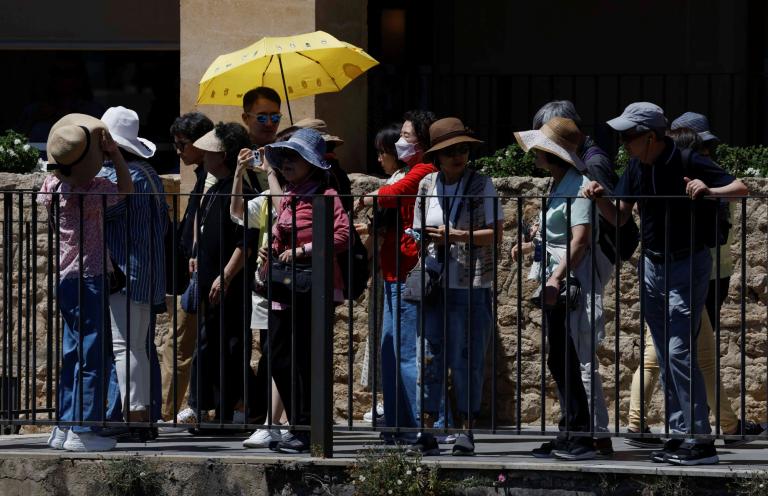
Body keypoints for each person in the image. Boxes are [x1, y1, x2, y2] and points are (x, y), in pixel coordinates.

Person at [583, 102, 748, 466]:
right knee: (663, 346)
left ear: (651, 136)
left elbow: (741, 188)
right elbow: (622, 216)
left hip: (687, 262)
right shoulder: (636, 166)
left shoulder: (688, 160)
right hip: (653, 265)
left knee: (677, 351)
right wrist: (599, 202)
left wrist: (709, 189)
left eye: (629, 136)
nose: (623, 142)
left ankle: (699, 439)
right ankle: (678, 435)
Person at [626, 122, 764, 448]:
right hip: (693, 275)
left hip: (696, 274)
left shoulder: (698, 179)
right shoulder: (677, 170)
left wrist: (710, 190)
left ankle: (688, 430)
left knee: (675, 353)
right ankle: (707, 431)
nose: (708, 154)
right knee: (681, 354)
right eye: (704, 147)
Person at [246, 128, 350, 453]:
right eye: (285, 157)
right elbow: (278, 235)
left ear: (312, 164)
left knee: (305, 359)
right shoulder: (288, 197)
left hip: (310, 288)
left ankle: (305, 429)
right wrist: (269, 251)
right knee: (277, 358)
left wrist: (304, 250)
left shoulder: (327, 197)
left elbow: (343, 236)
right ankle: (297, 424)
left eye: (296, 157)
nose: (288, 163)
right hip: (282, 287)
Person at [512, 117, 609, 461]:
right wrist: (528, 248)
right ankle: (570, 431)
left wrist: (556, 277)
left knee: (568, 356)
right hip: (556, 278)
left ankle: (580, 434)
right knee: (559, 357)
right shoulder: (558, 184)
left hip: (569, 282)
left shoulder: (579, 185)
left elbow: (579, 240)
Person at [39, 113, 133, 452]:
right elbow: (126, 188)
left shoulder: (52, 186)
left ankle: (64, 425)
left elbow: (50, 176)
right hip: (90, 277)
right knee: (94, 355)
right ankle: (83, 428)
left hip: (65, 278)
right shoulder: (93, 190)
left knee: (72, 353)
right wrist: (116, 154)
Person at [410, 117, 503, 456]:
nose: (458, 156)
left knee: (467, 358)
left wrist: (458, 236)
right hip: (435, 283)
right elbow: (417, 228)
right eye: (450, 151)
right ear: (437, 155)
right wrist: (425, 241)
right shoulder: (426, 186)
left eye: (463, 149)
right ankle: (428, 429)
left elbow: (496, 233)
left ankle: (466, 430)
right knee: (429, 357)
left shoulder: (482, 185)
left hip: (472, 283)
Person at [354, 122, 437, 444]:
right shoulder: (410, 170)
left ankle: (414, 426)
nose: (400, 141)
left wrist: (364, 200)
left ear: (422, 141)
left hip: (406, 269)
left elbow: (390, 195)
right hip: (391, 268)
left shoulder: (424, 170)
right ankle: (396, 423)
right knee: (390, 349)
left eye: (406, 135)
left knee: (403, 351)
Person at [97, 106, 167, 432]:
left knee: (126, 348)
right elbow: (164, 225)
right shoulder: (150, 174)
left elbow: (97, 211)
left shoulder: (119, 177)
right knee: (139, 346)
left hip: (125, 272)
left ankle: (133, 417)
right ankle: (140, 416)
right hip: (148, 271)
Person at [188, 122, 258, 426]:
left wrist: (226, 275)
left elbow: (247, 240)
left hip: (230, 283)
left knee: (230, 347)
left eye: (210, 152)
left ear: (224, 155)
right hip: (210, 280)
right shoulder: (215, 185)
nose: (204, 156)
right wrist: (195, 256)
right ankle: (212, 409)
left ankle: (230, 413)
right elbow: (201, 224)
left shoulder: (245, 189)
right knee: (211, 345)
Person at [159, 111, 215, 428]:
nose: (178, 151)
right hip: (193, 272)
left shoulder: (211, 177)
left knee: (177, 346)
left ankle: (163, 413)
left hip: (199, 274)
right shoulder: (203, 175)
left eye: (182, 144)